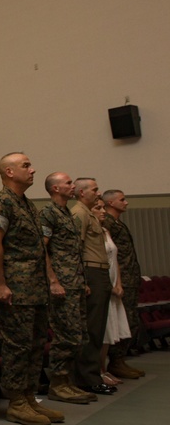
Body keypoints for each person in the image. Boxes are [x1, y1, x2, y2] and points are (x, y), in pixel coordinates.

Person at [0, 153, 65, 425]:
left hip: (35, 287)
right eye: (26, 166)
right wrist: (0, 283)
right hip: (16, 289)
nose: (33, 170)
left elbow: (40, 249)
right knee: (17, 346)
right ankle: (16, 401)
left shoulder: (27, 204)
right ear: (8, 171)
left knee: (35, 343)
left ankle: (29, 397)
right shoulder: (0, 203)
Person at [39, 173, 95, 405]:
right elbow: (43, 250)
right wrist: (53, 280)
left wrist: (81, 281)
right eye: (68, 183)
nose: (72, 186)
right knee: (66, 335)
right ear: (55, 188)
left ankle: (68, 381)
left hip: (74, 283)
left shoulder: (68, 214)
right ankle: (58, 384)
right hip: (61, 284)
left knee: (78, 334)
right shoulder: (48, 213)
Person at [69, 177, 115, 396]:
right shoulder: (79, 213)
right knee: (91, 328)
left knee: (97, 328)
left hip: (99, 271)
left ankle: (92, 374)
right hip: (91, 271)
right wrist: (83, 279)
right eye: (95, 190)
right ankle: (87, 378)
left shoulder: (89, 213)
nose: (98, 193)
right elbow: (75, 248)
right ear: (81, 193)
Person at [102, 189, 146, 379]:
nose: (126, 202)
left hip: (129, 277)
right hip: (121, 280)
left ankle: (119, 360)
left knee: (130, 321)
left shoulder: (118, 223)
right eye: (122, 200)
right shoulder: (107, 223)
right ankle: (115, 361)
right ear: (110, 203)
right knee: (123, 320)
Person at [94, 198, 131, 387]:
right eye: (98, 208)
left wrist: (118, 283)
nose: (102, 211)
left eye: (102, 207)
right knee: (104, 330)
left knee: (111, 330)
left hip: (113, 284)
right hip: (101, 285)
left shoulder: (106, 230)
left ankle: (105, 368)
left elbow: (114, 258)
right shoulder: (90, 232)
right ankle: (98, 371)